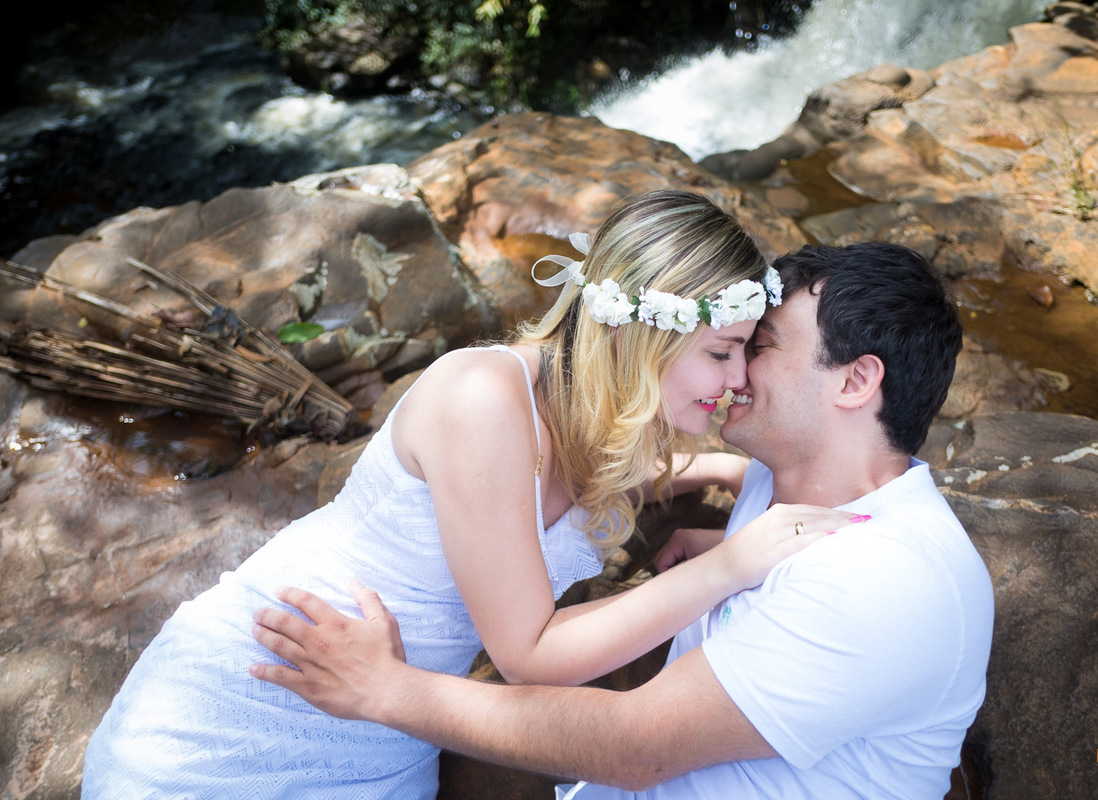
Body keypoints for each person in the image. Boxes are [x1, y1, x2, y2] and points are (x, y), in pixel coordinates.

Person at [82, 190, 862, 799]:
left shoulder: (615, 413)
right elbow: (529, 654)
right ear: (640, 335)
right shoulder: (483, 397)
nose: (738, 383)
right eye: (724, 352)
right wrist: (732, 565)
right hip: (263, 703)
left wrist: (723, 473)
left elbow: (573, 485)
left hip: (387, 724)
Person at [250, 241, 996, 798]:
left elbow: (636, 748)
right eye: (728, 349)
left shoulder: (886, 578)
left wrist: (386, 689)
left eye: (759, 348)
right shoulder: (786, 483)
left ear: (858, 379)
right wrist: (719, 514)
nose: (736, 377)